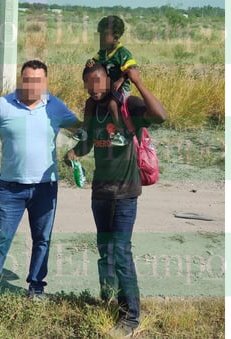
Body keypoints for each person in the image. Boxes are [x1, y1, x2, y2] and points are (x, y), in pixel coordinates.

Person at [65, 63, 167, 337]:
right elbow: (87, 142)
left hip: (125, 192)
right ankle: (109, 300)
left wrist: (139, 81)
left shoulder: (127, 104)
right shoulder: (92, 108)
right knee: (105, 251)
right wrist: (74, 153)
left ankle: (131, 317)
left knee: (121, 252)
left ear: (109, 81)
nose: (93, 88)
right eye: (88, 83)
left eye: (98, 82)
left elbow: (160, 115)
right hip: (100, 193)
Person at [0, 60, 81, 307]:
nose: (32, 85)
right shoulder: (3, 105)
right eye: (27, 79)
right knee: (1, 238)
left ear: (45, 82)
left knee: (42, 239)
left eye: (37, 80)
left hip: (46, 187)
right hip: (10, 188)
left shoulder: (55, 106)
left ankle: (36, 288)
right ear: (20, 79)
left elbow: (81, 128)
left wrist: (102, 121)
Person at [74, 15, 137, 147]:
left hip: (120, 88)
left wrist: (120, 80)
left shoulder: (122, 53)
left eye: (104, 35)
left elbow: (131, 69)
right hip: (106, 88)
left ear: (116, 36)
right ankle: (84, 130)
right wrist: (90, 62)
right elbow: (94, 63)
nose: (101, 38)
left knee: (112, 104)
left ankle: (120, 133)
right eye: (99, 35)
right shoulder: (102, 52)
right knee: (90, 102)